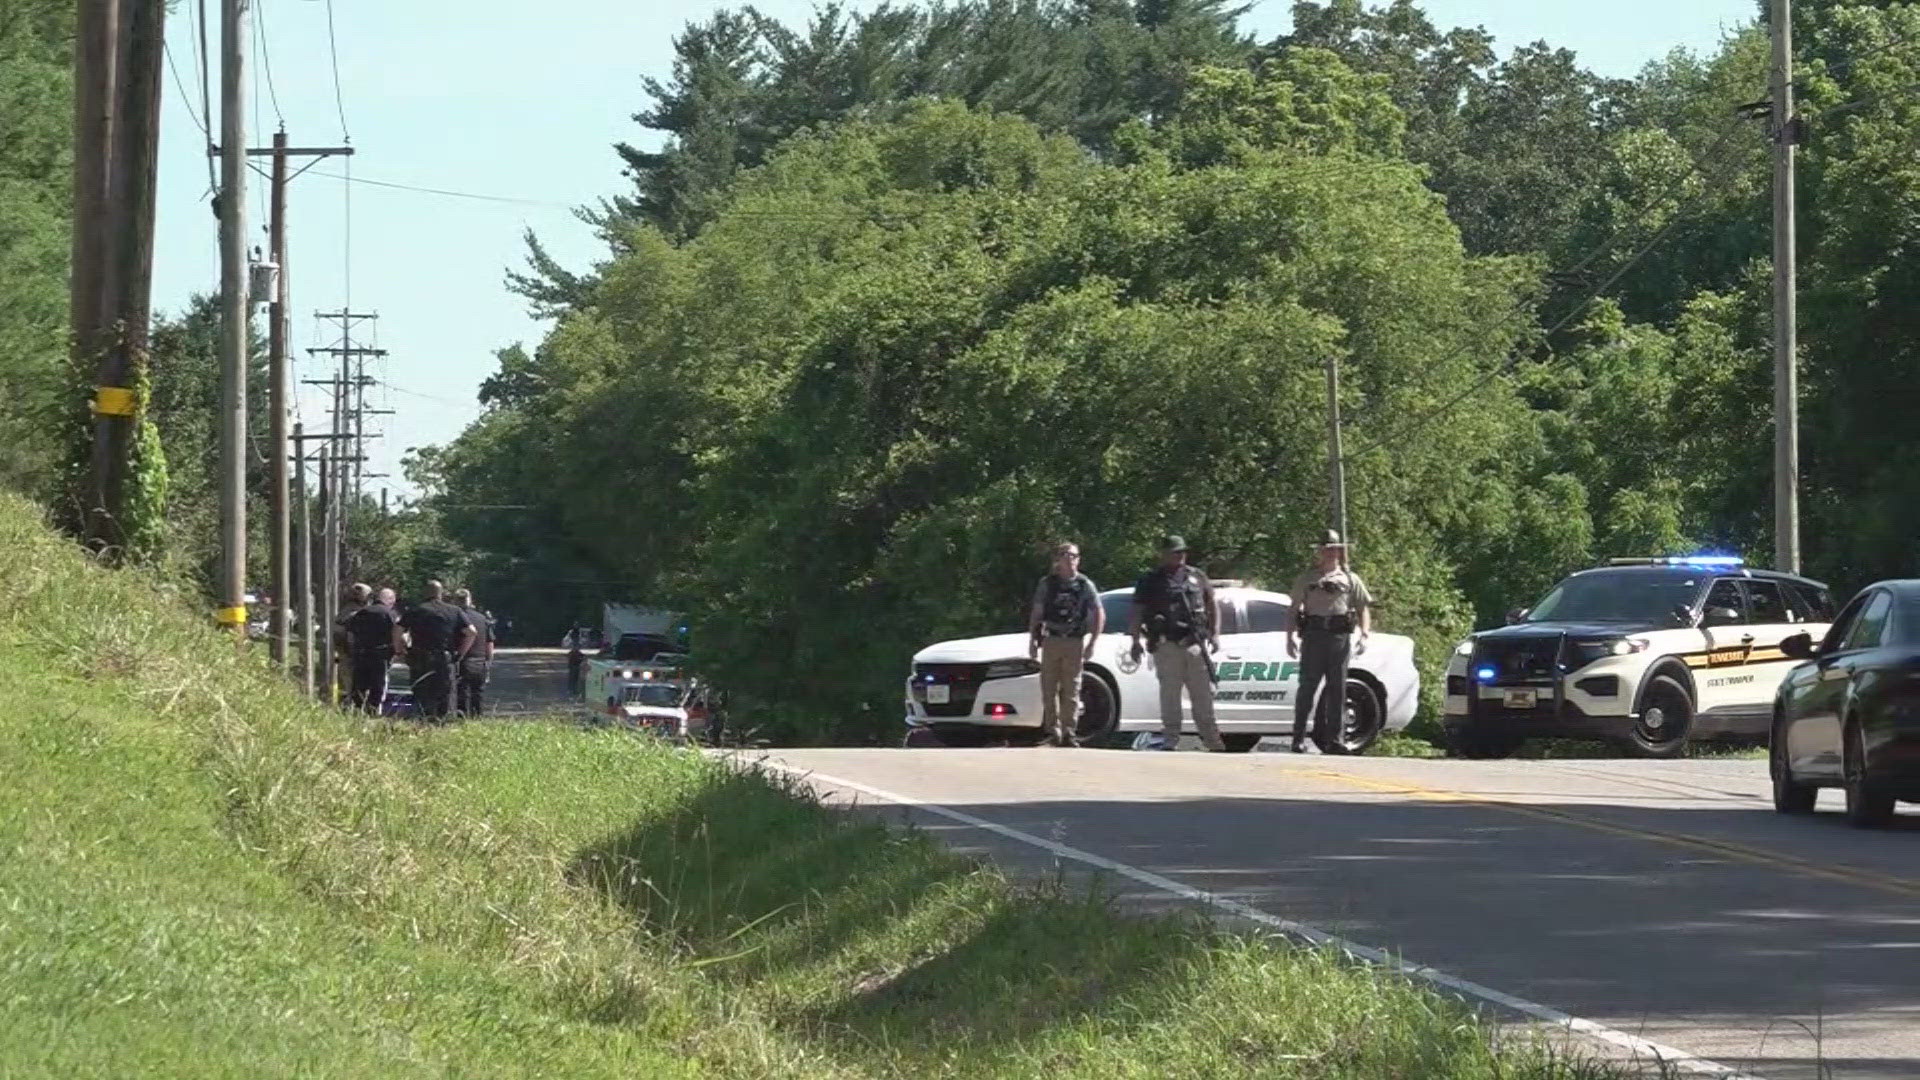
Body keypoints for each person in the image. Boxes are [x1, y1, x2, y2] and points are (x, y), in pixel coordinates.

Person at [1128, 535, 1226, 752]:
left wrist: (1215, 633)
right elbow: (1137, 612)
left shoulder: (1197, 576)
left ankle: (1213, 741)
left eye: (1182, 552)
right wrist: (1135, 640)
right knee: (1170, 695)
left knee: (1203, 695)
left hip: (1194, 644)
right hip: (1167, 644)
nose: (1180, 556)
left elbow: (1212, 605)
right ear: (1163, 554)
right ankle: (1170, 739)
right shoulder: (1150, 580)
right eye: (1175, 552)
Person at [1286, 529, 1373, 753]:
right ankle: (1298, 738)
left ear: (1339, 552)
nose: (1330, 553)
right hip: (1314, 636)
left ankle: (1335, 739)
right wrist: (1289, 637)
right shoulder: (1307, 579)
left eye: (1334, 549)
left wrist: (1364, 634)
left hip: (1339, 637)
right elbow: (1294, 609)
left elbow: (1363, 607)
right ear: (1319, 552)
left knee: (1337, 689)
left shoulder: (1350, 579)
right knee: (1307, 688)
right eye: (1326, 549)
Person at [1028, 541, 1103, 746]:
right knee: (1049, 687)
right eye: (1065, 555)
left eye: (1073, 555)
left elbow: (1098, 613)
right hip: (1051, 639)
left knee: (1072, 689)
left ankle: (1070, 732)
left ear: (1079, 559)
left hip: (1074, 640)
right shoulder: (1048, 583)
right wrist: (1033, 640)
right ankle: (1053, 731)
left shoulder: (1085, 585)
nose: (1069, 559)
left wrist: (1092, 642)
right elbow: (1037, 611)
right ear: (1057, 559)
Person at [393, 579, 475, 721]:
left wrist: (400, 650)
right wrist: (460, 653)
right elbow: (471, 632)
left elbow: (397, 630)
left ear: (424, 593)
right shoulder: (454, 610)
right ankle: (442, 723)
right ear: (441, 593)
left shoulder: (416, 610)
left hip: (420, 657)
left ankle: (422, 721)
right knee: (444, 692)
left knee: (421, 691)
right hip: (444, 658)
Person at [341, 582, 398, 714]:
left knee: (360, 684)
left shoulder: (362, 612)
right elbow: (396, 633)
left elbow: (350, 632)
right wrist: (397, 650)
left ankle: (357, 710)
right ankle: (373, 711)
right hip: (380, 655)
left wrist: (352, 649)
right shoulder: (390, 613)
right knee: (378, 685)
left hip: (361, 654)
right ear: (389, 600)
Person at [452, 588, 495, 717]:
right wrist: (488, 663)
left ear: (455, 601)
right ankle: (477, 718)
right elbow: (489, 643)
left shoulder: (455, 617)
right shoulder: (482, 619)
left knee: (461, 694)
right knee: (478, 694)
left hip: (462, 660)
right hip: (479, 661)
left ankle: (462, 720)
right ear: (470, 600)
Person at [566, 624, 586, 698]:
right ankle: (571, 690)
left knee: (575, 679)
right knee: (572, 678)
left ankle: (574, 690)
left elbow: (583, 659)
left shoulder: (579, 654)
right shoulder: (572, 653)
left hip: (576, 667)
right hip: (573, 666)